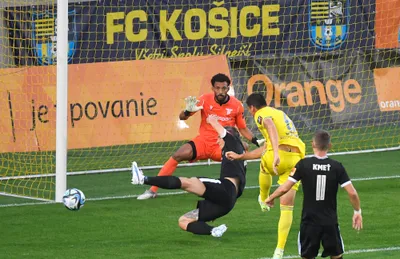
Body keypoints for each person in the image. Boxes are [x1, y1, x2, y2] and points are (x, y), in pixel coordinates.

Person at [137, 73, 262, 200]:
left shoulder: (236, 105)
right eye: (217, 88)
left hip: (222, 146)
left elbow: (242, 128)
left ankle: (236, 188)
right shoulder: (204, 99)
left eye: (223, 88)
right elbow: (182, 117)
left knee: (243, 148)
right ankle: (152, 190)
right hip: (203, 142)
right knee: (178, 154)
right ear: (213, 88)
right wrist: (187, 111)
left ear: (228, 89)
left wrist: (257, 141)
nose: (220, 91)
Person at [131, 114, 247, 237]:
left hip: (226, 189)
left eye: (219, 137)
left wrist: (212, 121)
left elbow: (226, 134)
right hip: (228, 202)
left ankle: (143, 179)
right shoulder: (236, 151)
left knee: (187, 182)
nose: (217, 140)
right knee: (183, 221)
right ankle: (213, 231)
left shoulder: (234, 144)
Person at [226, 93, 306, 259]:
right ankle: (279, 251)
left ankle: (263, 198)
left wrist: (276, 153)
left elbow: (270, 126)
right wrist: (240, 156)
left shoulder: (261, 114)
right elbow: (265, 148)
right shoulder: (281, 114)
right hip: (296, 159)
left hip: (278, 156)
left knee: (265, 165)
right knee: (287, 206)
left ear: (252, 108)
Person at [265, 130, 363, 259]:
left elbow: (285, 188)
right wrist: (357, 212)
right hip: (330, 222)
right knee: (337, 255)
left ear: (313, 144)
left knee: (307, 256)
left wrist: (271, 197)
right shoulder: (337, 167)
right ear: (329, 146)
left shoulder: (303, 165)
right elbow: (352, 193)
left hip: (309, 222)